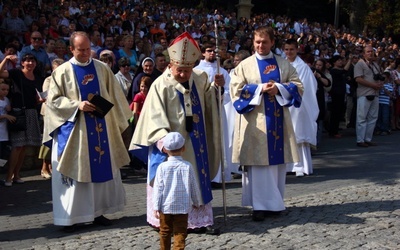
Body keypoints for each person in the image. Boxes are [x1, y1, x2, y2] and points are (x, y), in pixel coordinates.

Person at [130, 31, 224, 235]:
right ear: (170, 66)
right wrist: (167, 141)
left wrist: (217, 89)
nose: (183, 74)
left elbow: (209, 102)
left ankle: (199, 220)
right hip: (172, 149)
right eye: (179, 70)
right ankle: (168, 221)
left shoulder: (199, 78)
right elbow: (153, 118)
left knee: (196, 180)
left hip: (196, 143)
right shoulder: (160, 85)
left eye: (187, 70)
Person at [43, 31, 132, 232]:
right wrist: (77, 105)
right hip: (75, 131)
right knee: (76, 174)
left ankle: (97, 212)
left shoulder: (102, 68)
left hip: (101, 129)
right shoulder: (62, 72)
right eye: (80, 50)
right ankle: (70, 217)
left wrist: (115, 116)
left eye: (87, 49)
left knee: (99, 170)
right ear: (71, 49)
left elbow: (115, 96)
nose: (85, 53)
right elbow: (54, 101)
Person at [230, 26, 303, 221]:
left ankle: (275, 203)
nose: (261, 45)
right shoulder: (244, 65)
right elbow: (235, 90)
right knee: (259, 164)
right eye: (257, 42)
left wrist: (278, 88)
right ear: (253, 43)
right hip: (255, 123)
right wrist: (260, 88)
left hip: (278, 121)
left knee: (276, 165)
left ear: (272, 42)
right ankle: (260, 206)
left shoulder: (283, 64)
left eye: (264, 42)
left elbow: (298, 86)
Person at [0, 53, 44, 187]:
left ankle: (16, 175)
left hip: (31, 112)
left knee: (24, 146)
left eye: (32, 60)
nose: (30, 63)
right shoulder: (16, 73)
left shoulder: (38, 78)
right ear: (23, 63)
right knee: (17, 146)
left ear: (35, 63)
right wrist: (6, 59)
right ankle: (8, 177)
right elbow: (0, 73)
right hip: (18, 113)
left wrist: (40, 100)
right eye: (27, 60)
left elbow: (37, 95)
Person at [194, 41, 234, 187]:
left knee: (219, 140)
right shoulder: (196, 71)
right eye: (209, 50)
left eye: (214, 51)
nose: (212, 53)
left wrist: (221, 91)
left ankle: (218, 176)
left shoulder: (222, 71)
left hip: (218, 109)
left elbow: (230, 91)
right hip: (203, 111)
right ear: (203, 52)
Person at [153, 132, 201, 250]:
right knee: (180, 232)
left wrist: (156, 206)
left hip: (165, 206)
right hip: (182, 206)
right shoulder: (187, 166)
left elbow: (158, 188)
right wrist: (196, 201)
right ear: (183, 148)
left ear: (164, 149)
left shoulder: (162, 167)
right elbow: (194, 186)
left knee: (164, 231)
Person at [284, 39, 318, 177]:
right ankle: (287, 166)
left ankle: (299, 166)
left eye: (291, 49)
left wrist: (286, 87)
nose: (289, 52)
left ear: (297, 50)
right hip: (284, 103)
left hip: (298, 105)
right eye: (286, 49)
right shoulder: (281, 64)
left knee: (298, 133)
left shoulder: (302, 67)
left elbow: (304, 86)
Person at [38, 58, 65, 179]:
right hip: (49, 114)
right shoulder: (48, 80)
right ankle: (44, 167)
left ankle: (53, 166)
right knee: (48, 138)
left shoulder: (66, 81)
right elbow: (47, 96)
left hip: (62, 114)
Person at [354, 45, 383, 147]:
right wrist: (373, 85)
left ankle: (368, 138)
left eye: (371, 51)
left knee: (373, 117)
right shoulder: (360, 64)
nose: (370, 53)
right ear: (364, 53)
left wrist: (380, 84)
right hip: (364, 94)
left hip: (375, 93)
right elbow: (358, 79)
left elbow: (379, 76)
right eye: (368, 52)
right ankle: (360, 140)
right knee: (362, 118)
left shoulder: (375, 65)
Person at [0, 81, 15, 161]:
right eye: (3, 89)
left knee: (3, 154)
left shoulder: (6, 100)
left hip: (4, 132)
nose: (5, 92)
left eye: (7, 90)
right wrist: (5, 116)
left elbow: (8, 109)